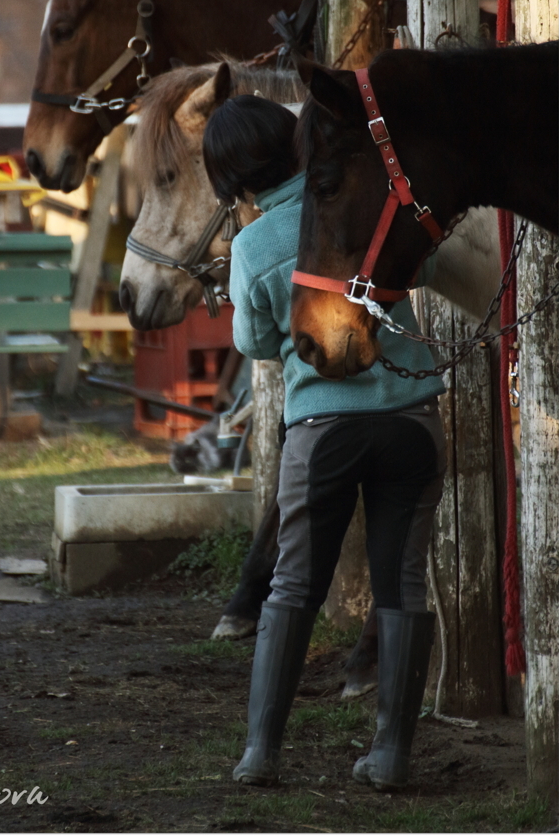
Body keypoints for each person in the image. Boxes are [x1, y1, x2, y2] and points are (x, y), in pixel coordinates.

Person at [202, 93, 447, 792]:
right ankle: (392, 756)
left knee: (291, 586)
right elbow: (422, 270)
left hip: (322, 433)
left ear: (232, 183)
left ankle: (259, 754)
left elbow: (255, 344)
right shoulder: (369, 205)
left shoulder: (252, 245)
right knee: (401, 582)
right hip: (411, 421)